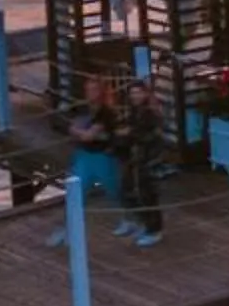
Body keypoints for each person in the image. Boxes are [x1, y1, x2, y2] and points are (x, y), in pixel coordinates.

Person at [50, 86, 122, 247]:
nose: (90, 93)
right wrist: (79, 131)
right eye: (88, 89)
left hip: (103, 156)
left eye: (94, 89)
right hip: (84, 155)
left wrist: (78, 130)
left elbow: (88, 136)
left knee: (114, 190)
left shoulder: (106, 113)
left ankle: (130, 220)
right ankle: (69, 230)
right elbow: (74, 129)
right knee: (76, 192)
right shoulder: (83, 108)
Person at [119, 76, 167, 247]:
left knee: (148, 195)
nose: (135, 96)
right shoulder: (134, 111)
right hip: (135, 157)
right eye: (133, 93)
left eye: (138, 92)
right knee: (129, 189)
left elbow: (153, 136)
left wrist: (131, 133)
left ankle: (155, 230)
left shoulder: (151, 113)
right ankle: (143, 224)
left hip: (149, 158)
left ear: (145, 94)